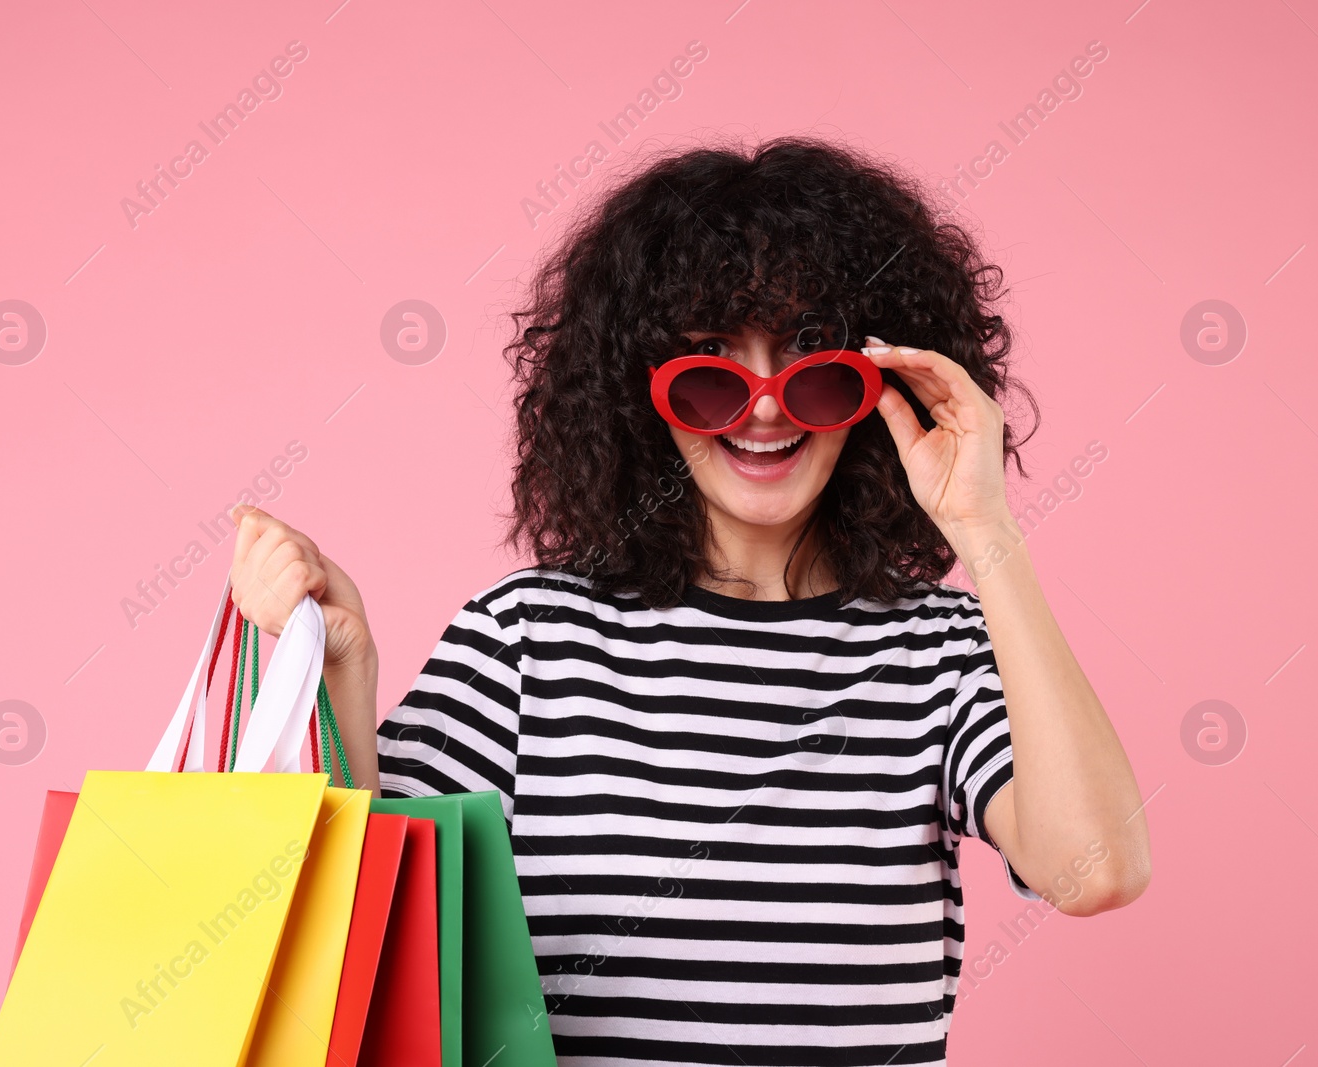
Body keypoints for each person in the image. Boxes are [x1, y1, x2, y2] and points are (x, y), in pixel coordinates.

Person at [226, 135, 1151, 1065]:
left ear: (880, 384)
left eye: (811, 362)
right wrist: (344, 672)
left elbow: (1096, 869)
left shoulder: (939, 652)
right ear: (640, 397)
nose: (762, 407)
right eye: (710, 367)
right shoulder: (532, 637)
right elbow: (368, 917)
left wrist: (983, 529)